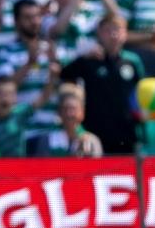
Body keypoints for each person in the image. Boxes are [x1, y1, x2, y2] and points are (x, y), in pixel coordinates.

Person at [60, 14, 144, 154]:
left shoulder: (132, 61)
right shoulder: (90, 60)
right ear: (99, 33)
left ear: (125, 33)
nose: (113, 34)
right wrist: (83, 56)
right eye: (107, 30)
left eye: (118, 29)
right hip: (96, 129)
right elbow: (64, 74)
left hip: (127, 130)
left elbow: (141, 92)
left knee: (125, 173)